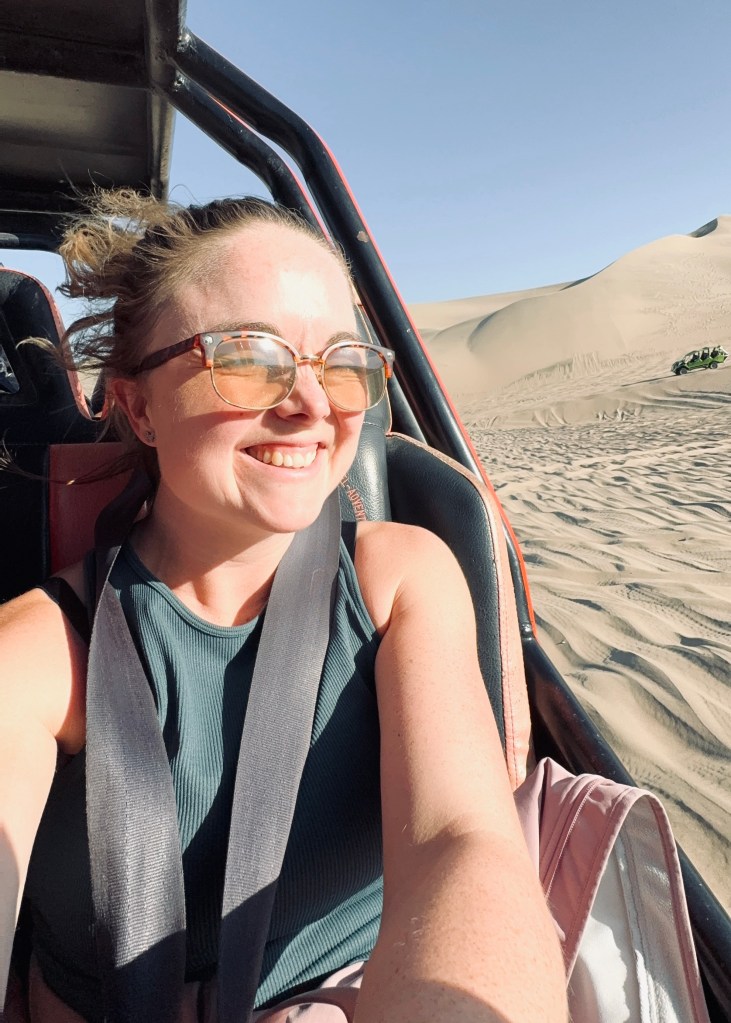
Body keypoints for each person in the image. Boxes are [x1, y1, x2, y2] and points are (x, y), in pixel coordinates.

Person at [0, 193, 567, 1023]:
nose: (312, 402)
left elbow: (461, 842)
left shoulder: (398, 580)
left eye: (341, 361)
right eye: (248, 355)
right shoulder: (39, 651)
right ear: (139, 406)